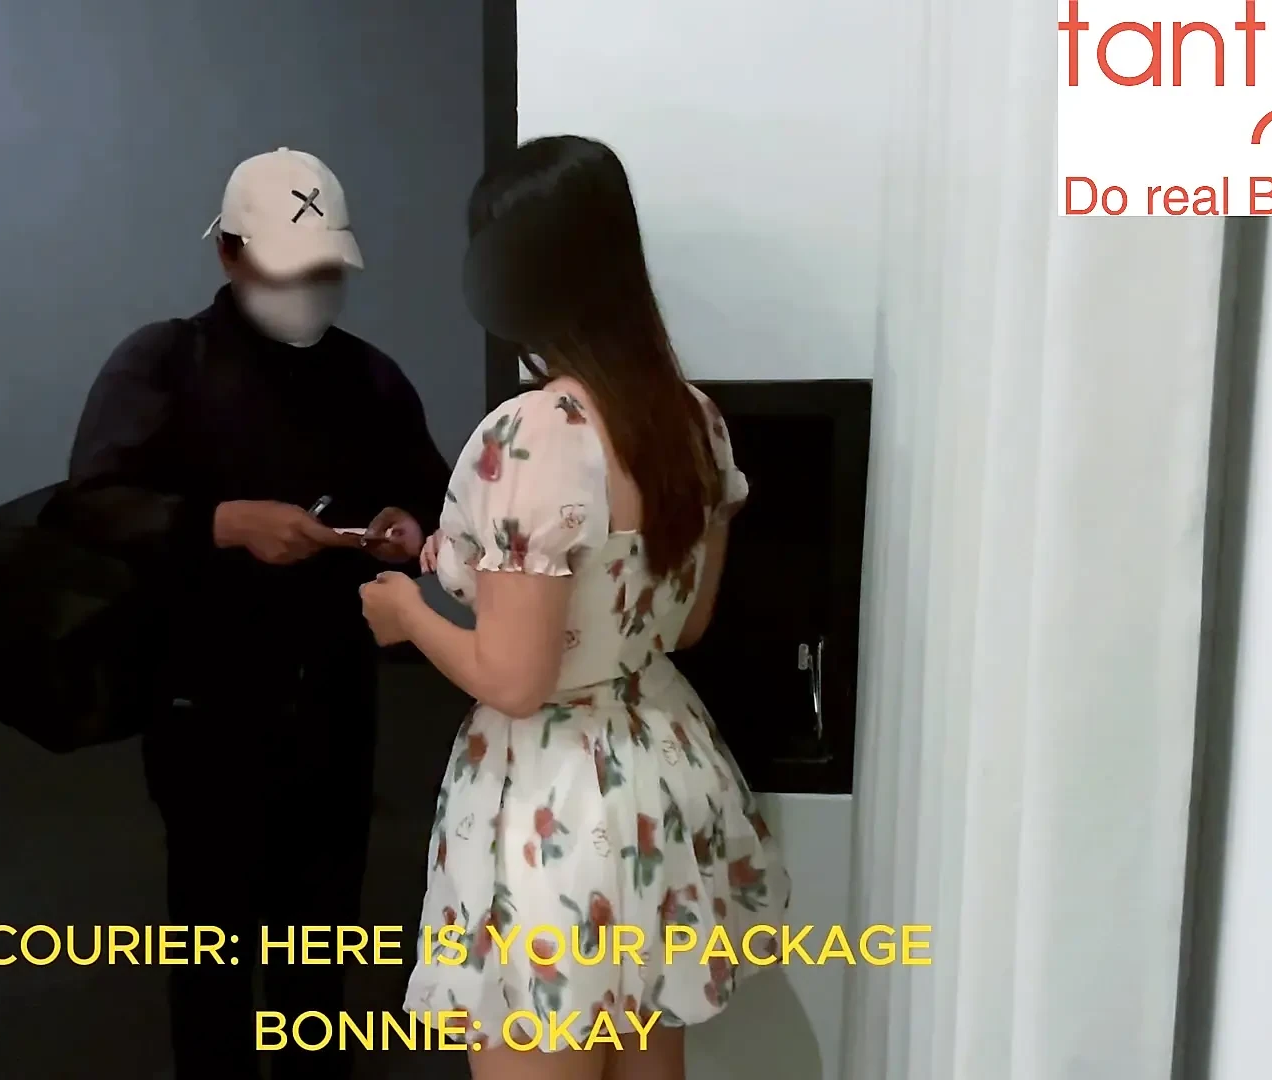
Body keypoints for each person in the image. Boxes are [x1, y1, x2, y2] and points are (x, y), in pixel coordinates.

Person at [358, 135, 789, 1079]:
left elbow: (517, 680)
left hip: (553, 797)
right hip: (661, 772)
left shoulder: (531, 433)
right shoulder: (692, 419)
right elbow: (686, 623)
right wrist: (450, 557)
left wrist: (408, 614)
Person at [66, 147, 450, 1079]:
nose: (308, 293)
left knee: (321, 938)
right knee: (212, 940)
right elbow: (91, 504)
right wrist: (223, 523)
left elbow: (431, 496)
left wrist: (409, 528)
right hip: (204, 702)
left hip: (335, 700)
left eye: (325, 272)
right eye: (287, 272)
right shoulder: (165, 363)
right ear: (230, 255)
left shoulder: (369, 379)